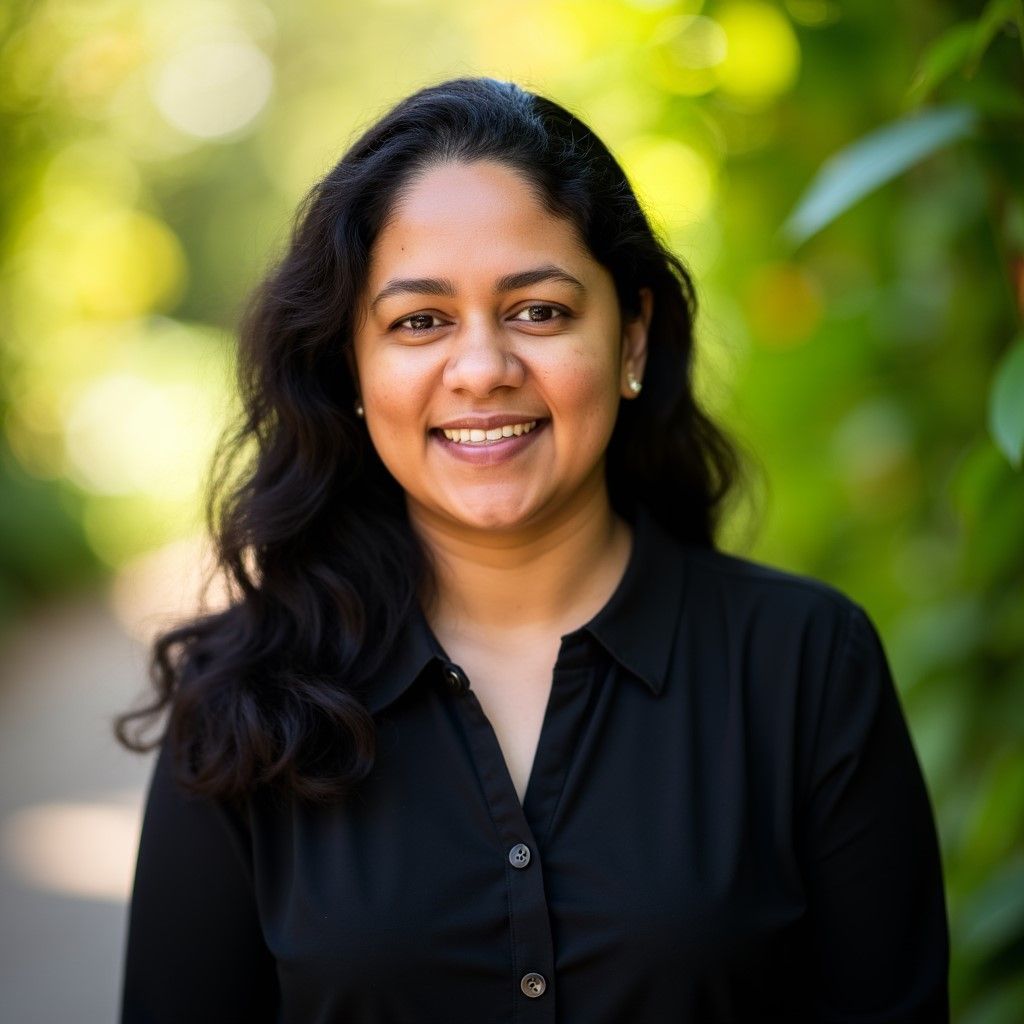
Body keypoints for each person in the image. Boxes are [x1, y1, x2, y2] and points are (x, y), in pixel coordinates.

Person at [114, 77, 949, 1023]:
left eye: (539, 311)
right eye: (419, 321)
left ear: (632, 337)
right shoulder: (237, 701)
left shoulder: (807, 664)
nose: (482, 370)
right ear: (351, 364)